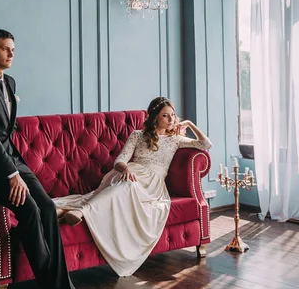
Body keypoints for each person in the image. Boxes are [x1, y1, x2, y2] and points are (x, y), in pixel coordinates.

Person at [0, 29, 99, 289]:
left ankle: (64, 288)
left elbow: (6, 131)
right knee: (30, 212)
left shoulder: (8, 81)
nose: (11, 54)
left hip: (12, 161)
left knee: (46, 206)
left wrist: (16, 167)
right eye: (5, 49)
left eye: (13, 49)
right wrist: (11, 174)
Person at [54, 97, 212, 277]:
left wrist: (189, 124)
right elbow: (119, 160)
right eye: (165, 116)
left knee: (126, 188)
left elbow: (206, 144)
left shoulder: (176, 139)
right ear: (155, 118)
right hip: (130, 173)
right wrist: (126, 168)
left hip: (152, 185)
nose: (170, 120)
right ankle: (81, 211)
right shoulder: (137, 135)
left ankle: (70, 211)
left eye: (173, 115)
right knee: (127, 185)